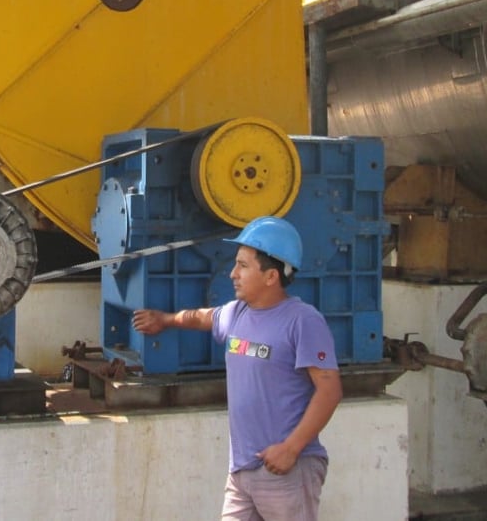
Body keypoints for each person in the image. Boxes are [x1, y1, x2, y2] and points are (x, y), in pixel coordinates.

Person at [132, 216, 343, 521]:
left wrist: (291, 449)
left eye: (243, 265)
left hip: (286, 469)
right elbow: (201, 317)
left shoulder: (303, 321)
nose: (233, 274)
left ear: (271, 276)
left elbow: (330, 390)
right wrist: (164, 320)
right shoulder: (236, 313)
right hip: (242, 472)